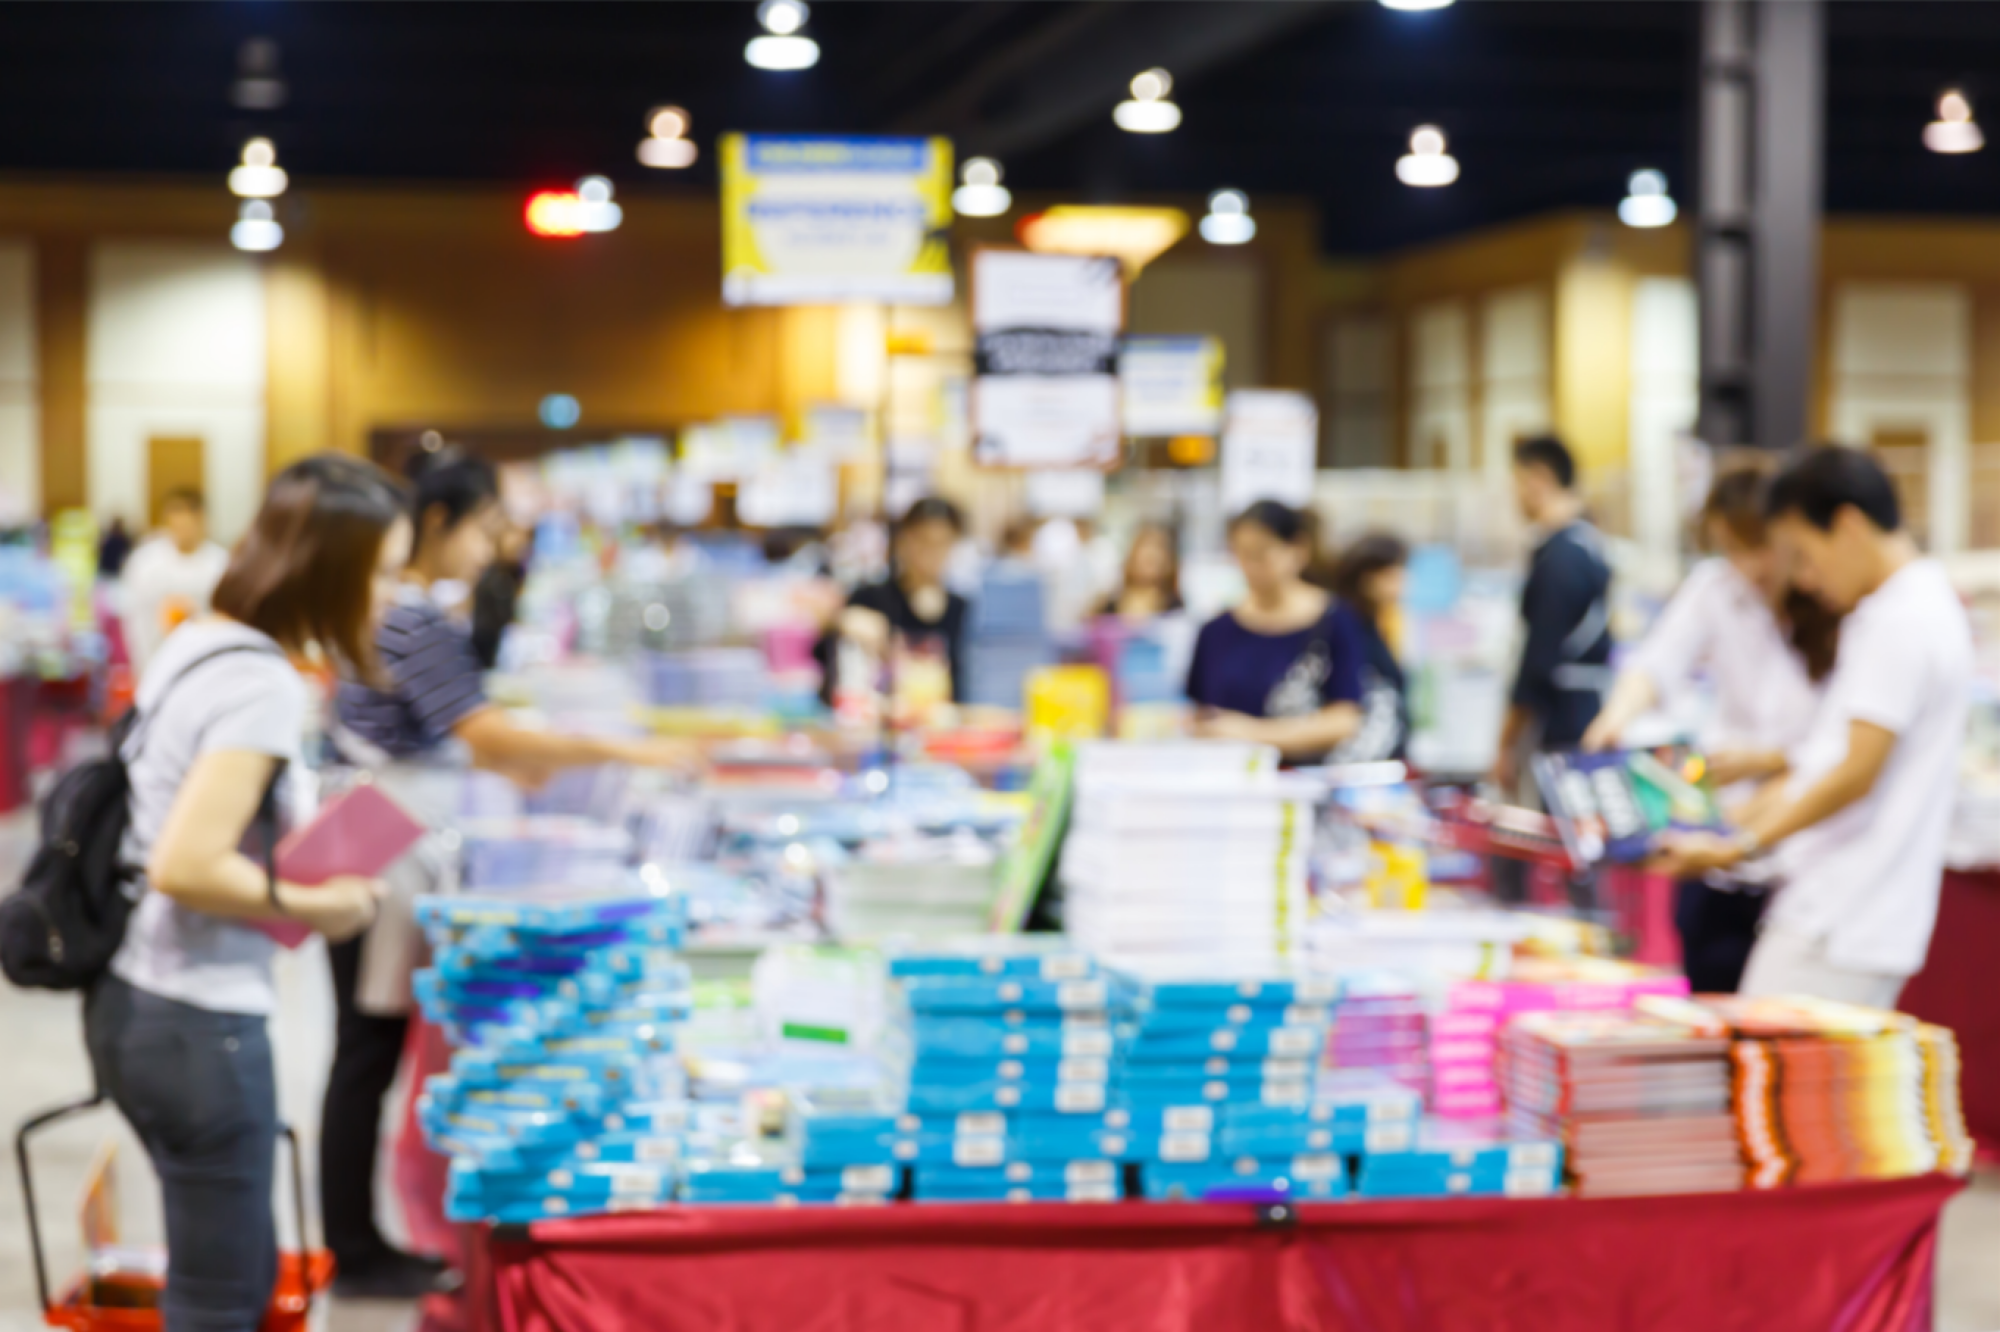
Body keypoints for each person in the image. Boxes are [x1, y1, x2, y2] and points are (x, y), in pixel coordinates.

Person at [326, 451, 695, 1297]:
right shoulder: (411, 619)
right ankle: (353, 1248)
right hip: (385, 846)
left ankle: (357, 1239)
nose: (493, 548)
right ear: (436, 523)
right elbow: (487, 737)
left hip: (387, 834)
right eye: (487, 528)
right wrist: (619, 747)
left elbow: (474, 737)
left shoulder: (411, 613)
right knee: (365, 1050)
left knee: (367, 1048)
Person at [86, 455, 407, 1332]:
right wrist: (326, 904)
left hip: (142, 998)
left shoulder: (204, 642)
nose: (389, 596)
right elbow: (185, 863)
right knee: (223, 1294)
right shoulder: (256, 678)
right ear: (332, 570)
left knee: (227, 1272)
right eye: (382, 571)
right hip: (197, 1018)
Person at [1656, 447, 1972, 1008]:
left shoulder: (1900, 620)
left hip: (1840, 918)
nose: (1804, 578)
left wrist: (1737, 846)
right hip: (1838, 913)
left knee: (1772, 1083)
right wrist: (1725, 831)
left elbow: (1853, 773)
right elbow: (1821, 765)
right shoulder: (1902, 611)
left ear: (1848, 527)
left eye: (1804, 555)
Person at [1582, 465, 1841, 992]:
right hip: (1715, 838)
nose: (1747, 565)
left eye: (1757, 545)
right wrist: (1616, 718)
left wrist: (1767, 759)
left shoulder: (1832, 609)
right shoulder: (1715, 589)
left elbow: (1847, 754)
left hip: (1799, 855)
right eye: (1730, 548)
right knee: (1710, 996)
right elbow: (1656, 663)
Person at [1185, 500, 1365, 763]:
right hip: (1231, 781)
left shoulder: (1334, 620)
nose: (1250, 566)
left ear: (1298, 549)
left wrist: (1250, 733)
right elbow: (1202, 712)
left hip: (1308, 780)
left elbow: (1344, 720)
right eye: (1241, 553)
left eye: (1262, 553)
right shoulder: (1216, 630)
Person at [1493, 435, 1613, 790]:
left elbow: (1538, 661)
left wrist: (1506, 744)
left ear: (1538, 479)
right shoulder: (1584, 543)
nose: (1514, 495)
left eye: (1516, 482)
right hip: (1580, 712)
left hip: (1563, 724)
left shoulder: (1562, 558)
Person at [820, 496, 971, 704]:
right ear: (903, 540)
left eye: (941, 543)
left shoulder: (962, 609)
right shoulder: (871, 598)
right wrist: (840, 621)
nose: (930, 553)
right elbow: (825, 655)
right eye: (922, 540)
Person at [119, 489, 231, 675]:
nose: (182, 528)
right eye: (175, 518)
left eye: (188, 521)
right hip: (155, 658)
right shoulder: (145, 562)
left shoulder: (220, 564)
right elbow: (133, 614)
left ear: (201, 520)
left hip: (203, 661)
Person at [1327, 532, 1411, 764]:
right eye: (1392, 574)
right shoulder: (1345, 627)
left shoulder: (1381, 623)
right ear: (1367, 578)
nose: (1402, 581)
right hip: (1360, 763)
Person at [1096, 522, 1184, 622]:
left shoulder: (1175, 610)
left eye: (1158, 548)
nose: (1150, 554)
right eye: (1144, 546)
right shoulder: (1108, 605)